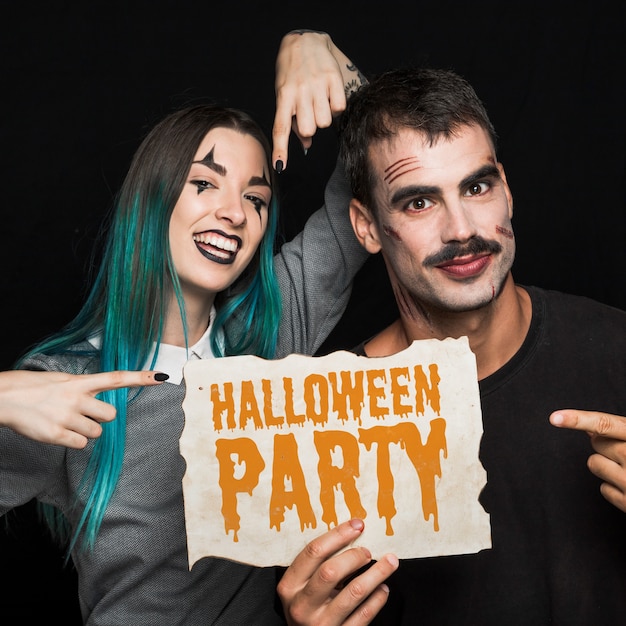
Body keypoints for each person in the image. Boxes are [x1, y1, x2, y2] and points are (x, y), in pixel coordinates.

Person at [0, 31, 396, 625]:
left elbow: (376, 169)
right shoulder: (67, 385)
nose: (234, 213)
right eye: (204, 183)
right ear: (153, 198)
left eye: (256, 199)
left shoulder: (275, 329)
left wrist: (323, 56)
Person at [278, 65, 626, 624]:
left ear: (505, 189)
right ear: (365, 227)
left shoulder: (616, 348)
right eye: (419, 202)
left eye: (476, 186)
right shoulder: (323, 424)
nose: (461, 228)